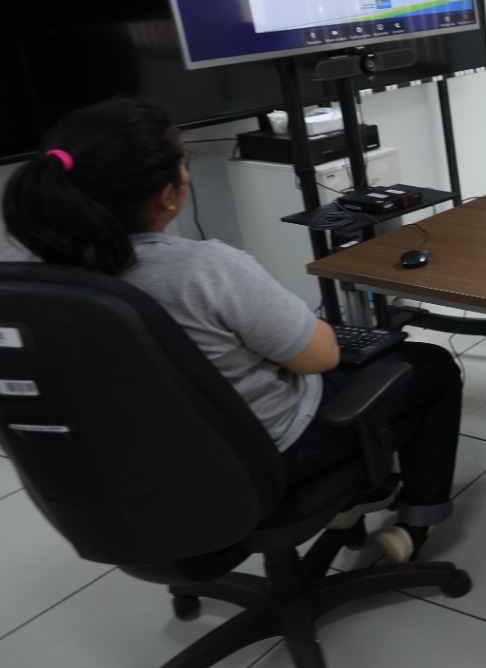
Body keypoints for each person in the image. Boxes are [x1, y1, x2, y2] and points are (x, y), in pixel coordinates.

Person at [1, 96, 462, 564]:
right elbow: (319, 357)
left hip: (117, 466)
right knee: (431, 365)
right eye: (184, 163)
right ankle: (417, 518)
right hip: (264, 457)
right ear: (166, 195)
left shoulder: (17, 275)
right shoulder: (203, 269)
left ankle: (352, 503)